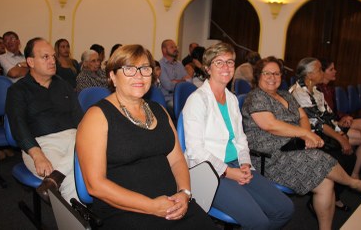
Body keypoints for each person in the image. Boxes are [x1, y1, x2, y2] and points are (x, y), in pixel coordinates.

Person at [76, 44, 217, 229]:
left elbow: (177, 160)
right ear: (112, 76)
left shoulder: (159, 110)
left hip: (172, 203)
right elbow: (95, 185)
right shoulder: (96, 117)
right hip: (125, 211)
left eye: (144, 68)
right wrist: (151, 206)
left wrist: (184, 192)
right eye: (129, 69)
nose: (139, 76)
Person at [242, 56, 361, 230]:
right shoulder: (256, 97)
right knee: (319, 159)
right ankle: (353, 183)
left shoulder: (284, 94)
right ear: (258, 75)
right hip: (269, 157)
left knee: (326, 183)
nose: (272, 77)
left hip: (292, 148)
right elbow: (270, 125)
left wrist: (305, 136)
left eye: (276, 73)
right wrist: (305, 133)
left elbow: (303, 116)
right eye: (267, 73)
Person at [183, 43, 294, 230]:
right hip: (208, 172)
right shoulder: (197, 100)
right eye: (219, 63)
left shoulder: (232, 99)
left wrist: (245, 163)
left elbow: (240, 138)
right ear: (208, 68)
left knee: (285, 209)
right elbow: (195, 151)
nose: (226, 67)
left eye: (230, 62)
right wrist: (228, 171)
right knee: (259, 222)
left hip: (236, 164)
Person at [5, 37, 83, 204]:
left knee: (92, 150)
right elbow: (19, 127)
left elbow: (80, 120)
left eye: (53, 56)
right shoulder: (17, 91)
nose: (52, 61)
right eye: (45, 57)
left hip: (74, 140)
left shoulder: (63, 85)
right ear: (31, 62)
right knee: (73, 180)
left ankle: (56, 177)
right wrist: (37, 154)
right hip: (41, 145)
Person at [318, 59, 361, 180]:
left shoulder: (329, 88)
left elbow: (334, 110)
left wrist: (344, 116)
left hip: (336, 122)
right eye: (331, 69)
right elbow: (321, 116)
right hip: (330, 127)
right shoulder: (317, 89)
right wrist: (338, 121)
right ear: (322, 72)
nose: (335, 71)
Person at [159, 39, 192, 115]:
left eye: (175, 47)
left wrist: (175, 81)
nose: (175, 49)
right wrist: (183, 80)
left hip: (182, 96)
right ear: (164, 50)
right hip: (169, 99)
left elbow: (190, 82)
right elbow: (169, 86)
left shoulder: (179, 64)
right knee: (182, 110)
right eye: (172, 47)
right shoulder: (161, 65)